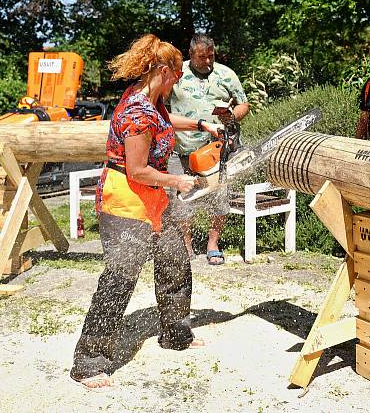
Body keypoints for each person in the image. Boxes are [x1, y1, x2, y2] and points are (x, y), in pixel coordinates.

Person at [70, 34, 222, 390]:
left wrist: (203, 125)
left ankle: (175, 333)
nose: (180, 80)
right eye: (177, 74)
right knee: (119, 279)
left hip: (154, 199)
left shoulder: (152, 102)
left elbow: (167, 123)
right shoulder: (137, 110)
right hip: (125, 200)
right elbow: (137, 169)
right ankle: (88, 361)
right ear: (162, 71)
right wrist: (177, 180)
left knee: (174, 262)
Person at [168, 34, 249, 265]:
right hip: (181, 148)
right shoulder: (177, 73)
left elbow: (244, 103)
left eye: (210, 56)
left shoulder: (225, 74)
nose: (207, 62)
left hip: (216, 150)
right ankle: (186, 245)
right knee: (181, 200)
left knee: (219, 197)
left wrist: (232, 116)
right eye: (202, 57)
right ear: (191, 54)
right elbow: (161, 107)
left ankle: (213, 243)